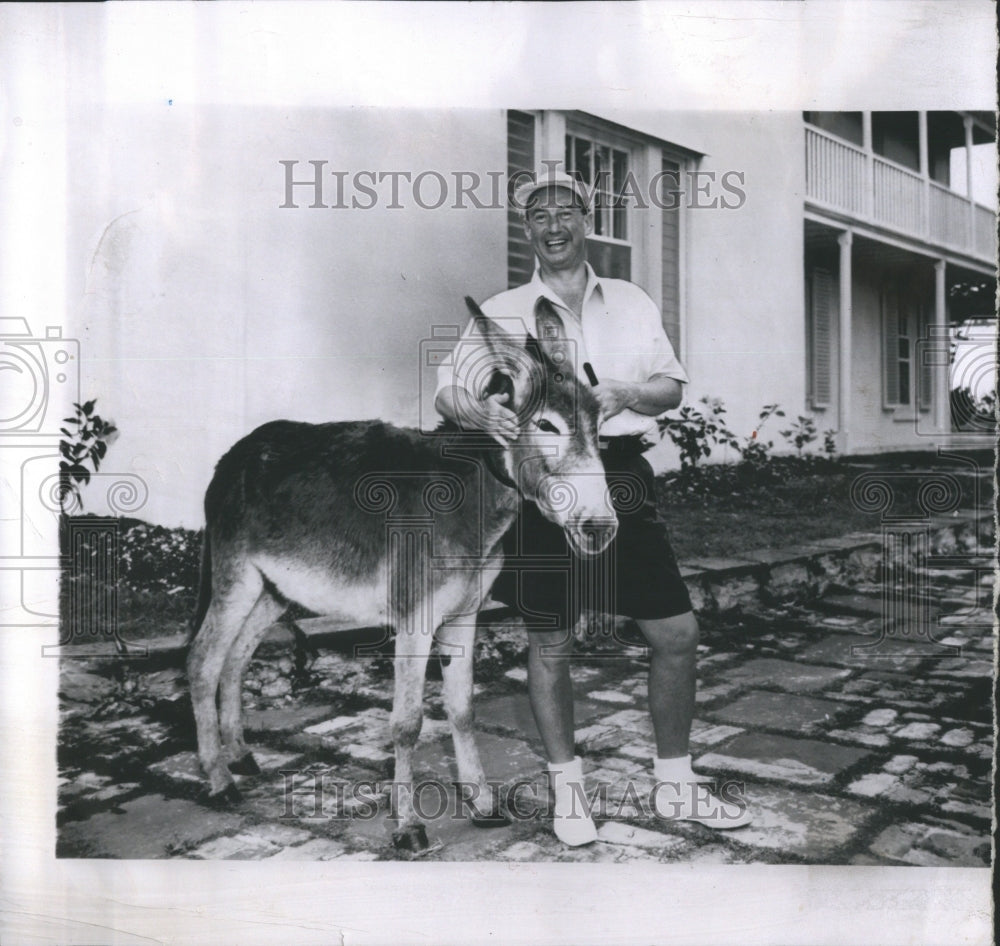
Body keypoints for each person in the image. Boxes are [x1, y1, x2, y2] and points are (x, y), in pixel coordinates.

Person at [435, 168, 751, 845]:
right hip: (543, 486)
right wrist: (480, 407)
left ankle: (675, 785)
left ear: (587, 219)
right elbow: (445, 395)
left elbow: (670, 389)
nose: (554, 226)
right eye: (539, 216)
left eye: (566, 212)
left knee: (676, 633)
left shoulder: (631, 301)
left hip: (623, 476)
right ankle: (568, 793)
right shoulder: (506, 311)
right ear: (528, 231)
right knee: (551, 642)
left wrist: (626, 391)